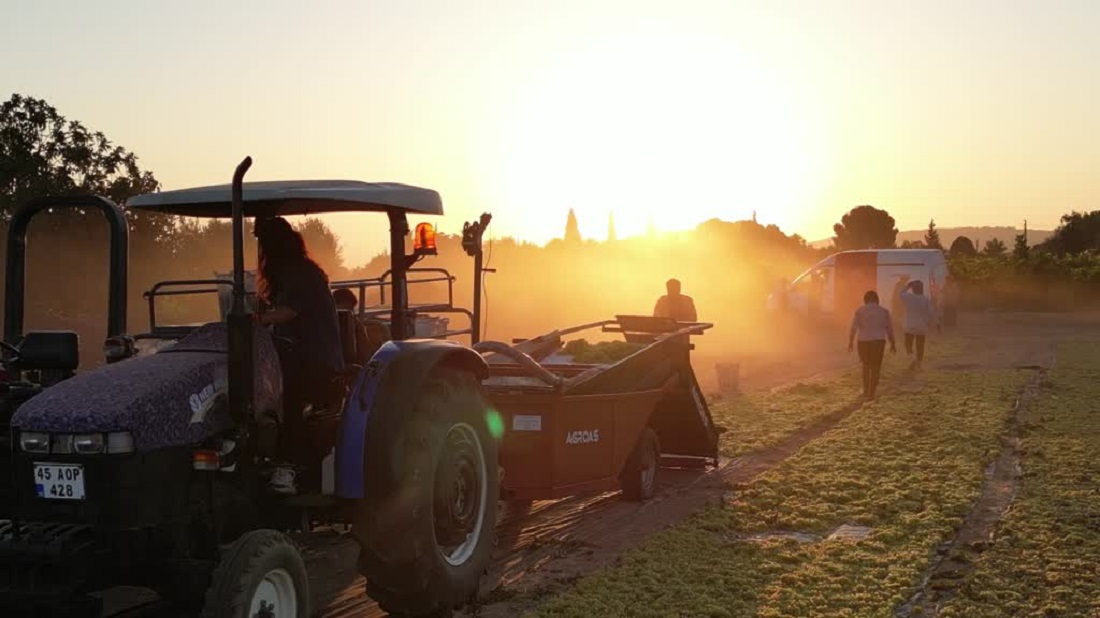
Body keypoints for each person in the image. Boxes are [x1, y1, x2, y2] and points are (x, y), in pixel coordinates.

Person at [253, 216, 345, 494]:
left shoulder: (301, 274)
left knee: (284, 396)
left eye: (263, 244)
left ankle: (288, 467)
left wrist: (257, 319)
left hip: (317, 361)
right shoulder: (291, 274)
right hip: (295, 355)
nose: (261, 252)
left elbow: (288, 312)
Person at [848, 290, 896, 400]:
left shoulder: (860, 311)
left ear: (865, 300)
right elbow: (889, 329)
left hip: (863, 341)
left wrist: (850, 342)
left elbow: (853, 328)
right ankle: (872, 392)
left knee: (865, 366)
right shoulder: (884, 312)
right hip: (878, 341)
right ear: (877, 299)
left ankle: (865, 390)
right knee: (875, 367)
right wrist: (892, 343)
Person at [899, 279, 939, 369]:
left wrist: (907, 286)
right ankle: (919, 364)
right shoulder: (925, 299)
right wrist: (936, 323)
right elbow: (931, 312)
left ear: (913, 289)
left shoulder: (909, 297)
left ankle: (911, 358)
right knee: (920, 345)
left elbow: (900, 293)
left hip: (910, 325)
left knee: (908, 344)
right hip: (921, 326)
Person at [332, 288, 374, 365]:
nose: (349, 316)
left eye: (351, 311)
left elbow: (364, 354)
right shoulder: (326, 327)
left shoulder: (356, 325)